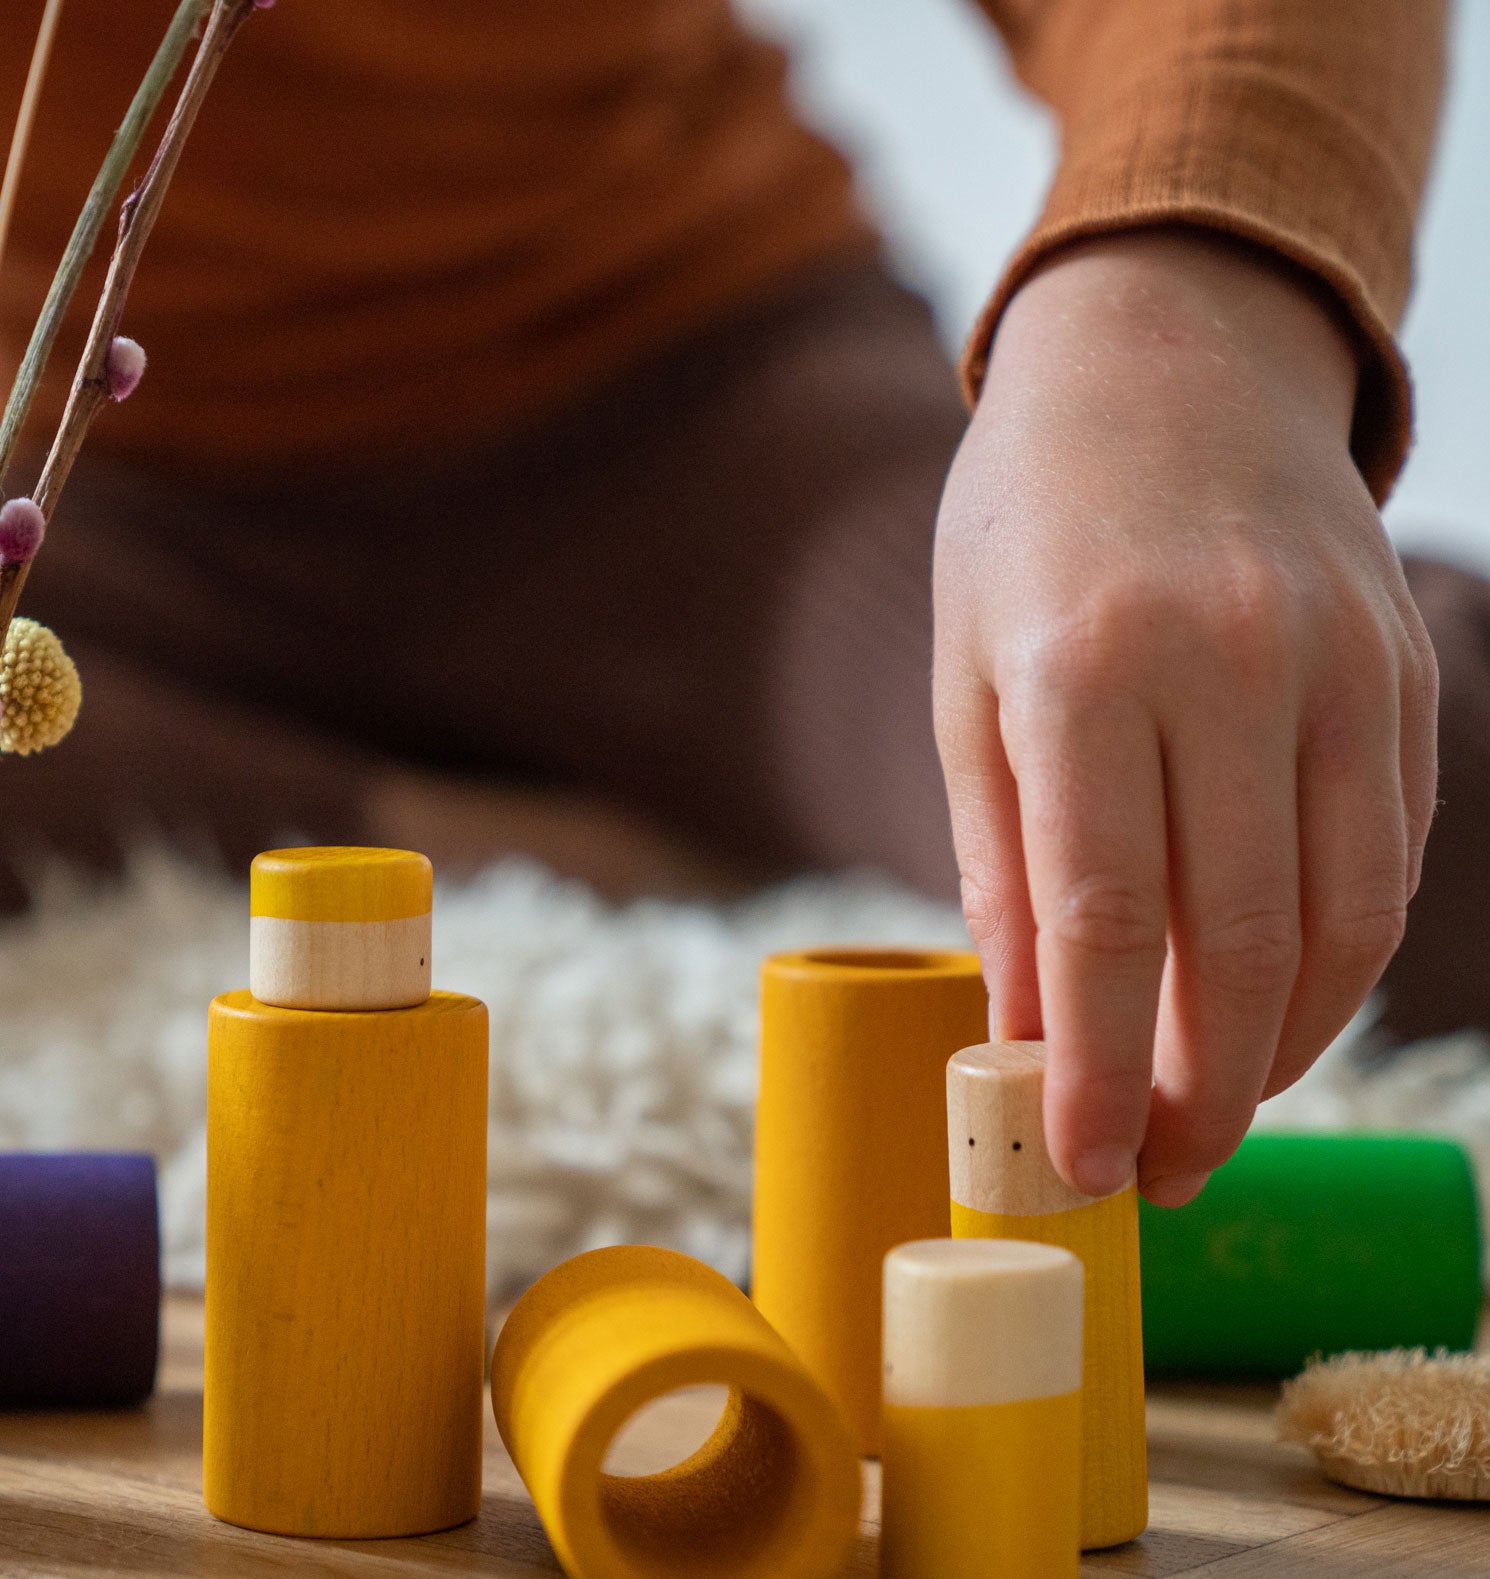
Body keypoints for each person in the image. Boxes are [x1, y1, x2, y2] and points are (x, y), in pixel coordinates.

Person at [0, 0, 1458, 1204]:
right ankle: (487, 834)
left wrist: (1181, 329)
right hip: (60, 506)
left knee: (1308, 785)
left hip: (682, 388)